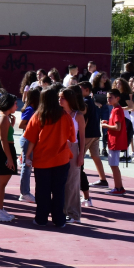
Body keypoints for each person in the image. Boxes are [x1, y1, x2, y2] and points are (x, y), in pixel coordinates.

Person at [22, 86, 76, 226]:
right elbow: (72, 138)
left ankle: (41, 218)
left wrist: (27, 156)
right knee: (59, 191)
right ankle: (59, 219)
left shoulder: (38, 116)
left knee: (42, 191)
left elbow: (31, 139)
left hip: (42, 160)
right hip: (61, 159)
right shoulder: (66, 116)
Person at [0, 94, 18, 222]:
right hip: (3, 151)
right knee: (0, 184)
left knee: (1, 183)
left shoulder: (0, 116)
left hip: (1, 151)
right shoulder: (3, 117)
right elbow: (3, 140)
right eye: (15, 104)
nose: (17, 106)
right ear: (9, 104)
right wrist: (9, 158)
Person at [60, 86, 85, 223]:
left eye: (62, 98)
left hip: (73, 148)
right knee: (60, 181)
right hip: (59, 148)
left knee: (72, 182)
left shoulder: (78, 115)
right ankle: (62, 211)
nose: (60, 100)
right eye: (59, 97)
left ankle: (74, 213)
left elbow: (82, 136)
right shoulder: (58, 113)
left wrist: (81, 154)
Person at [103, 89, 128, 195]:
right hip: (113, 141)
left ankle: (118, 188)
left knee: (113, 165)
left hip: (115, 141)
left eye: (110, 97)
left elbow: (117, 128)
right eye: (107, 97)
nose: (108, 99)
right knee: (113, 164)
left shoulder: (117, 110)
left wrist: (106, 126)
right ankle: (119, 187)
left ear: (117, 98)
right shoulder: (115, 109)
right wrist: (108, 123)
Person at [18, 87, 40, 202]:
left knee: (28, 165)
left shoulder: (33, 108)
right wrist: (34, 129)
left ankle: (25, 192)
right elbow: (21, 125)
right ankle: (24, 192)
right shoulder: (30, 109)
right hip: (27, 140)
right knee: (26, 166)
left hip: (30, 140)